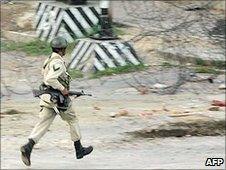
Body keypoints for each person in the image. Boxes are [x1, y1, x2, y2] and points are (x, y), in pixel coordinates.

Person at [20, 37, 93, 166]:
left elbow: (45, 76)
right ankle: (79, 149)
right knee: (72, 120)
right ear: (61, 49)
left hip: (48, 98)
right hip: (58, 98)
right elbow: (50, 79)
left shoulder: (48, 60)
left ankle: (28, 146)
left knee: (43, 122)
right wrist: (63, 89)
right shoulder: (58, 63)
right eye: (64, 48)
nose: (65, 50)